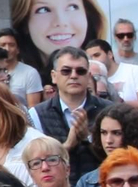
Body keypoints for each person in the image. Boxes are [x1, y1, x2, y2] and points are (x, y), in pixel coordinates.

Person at [10, 0, 105, 76]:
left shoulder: (104, 74)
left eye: (72, 7)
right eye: (43, 10)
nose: (61, 22)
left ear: (88, 14)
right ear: (25, 22)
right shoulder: (15, 79)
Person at [35, 47, 111, 175]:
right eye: (66, 71)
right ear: (54, 76)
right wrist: (68, 145)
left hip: (101, 183)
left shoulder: (110, 111)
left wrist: (88, 137)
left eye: (80, 71)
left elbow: (119, 156)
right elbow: (35, 162)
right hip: (57, 185)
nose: (74, 75)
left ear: (88, 76)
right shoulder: (36, 114)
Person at [105, 20, 138, 112]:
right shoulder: (108, 60)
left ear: (135, 36)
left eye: (129, 35)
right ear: (115, 37)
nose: (126, 39)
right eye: (121, 36)